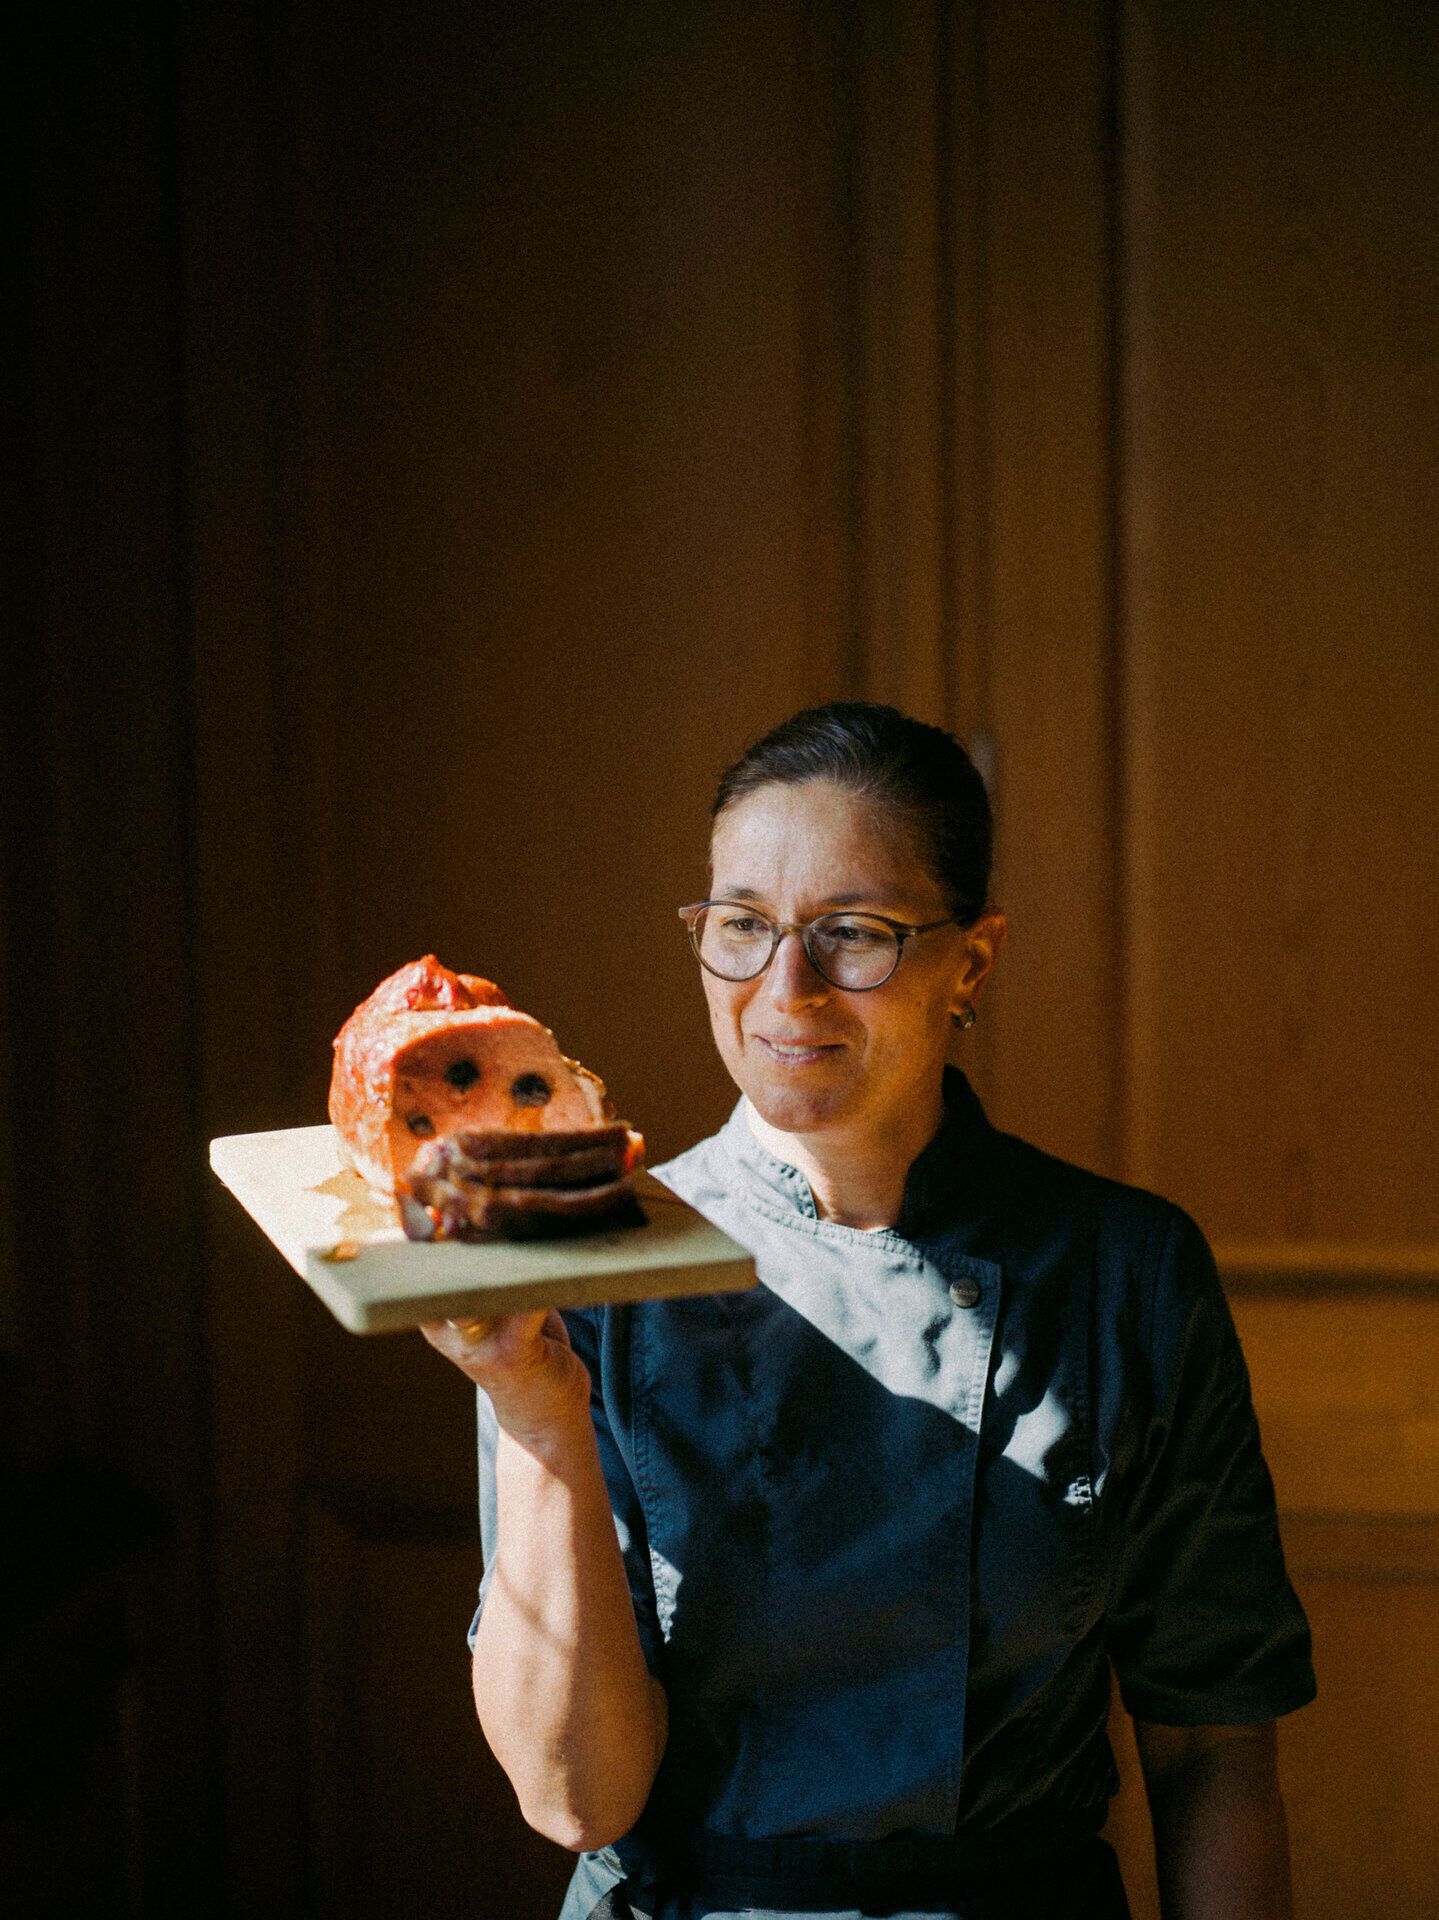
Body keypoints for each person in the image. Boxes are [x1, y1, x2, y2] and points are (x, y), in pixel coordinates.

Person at [421, 702, 1315, 1920]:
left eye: (852, 933)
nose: (785, 989)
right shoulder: (579, 1262)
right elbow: (575, 1798)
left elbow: (1211, 1747)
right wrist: (533, 1406)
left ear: (973, 963)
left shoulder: (1126, 1273)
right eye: (739, 926)